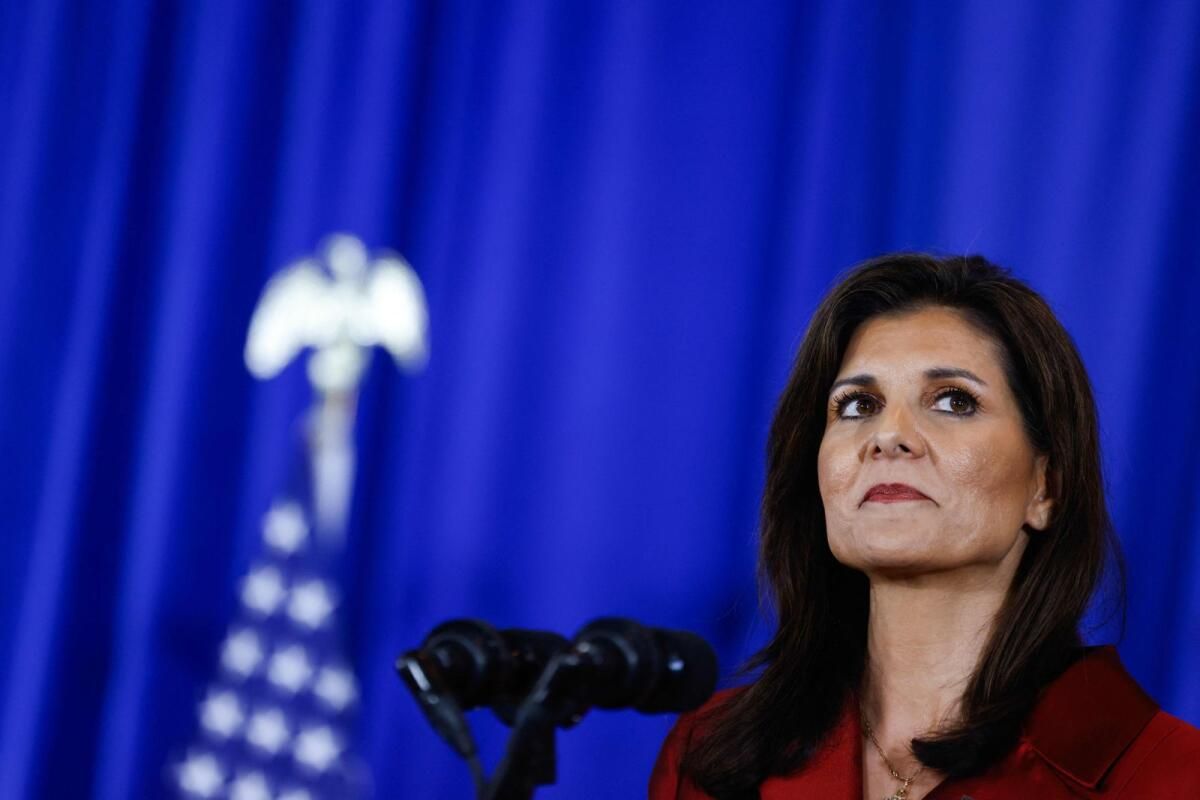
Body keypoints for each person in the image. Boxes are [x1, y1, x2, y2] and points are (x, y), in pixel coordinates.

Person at [649, 254, 1200, 799]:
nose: (888, 436)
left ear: (1046, 488)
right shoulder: (708, 757)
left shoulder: (1173, 776)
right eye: (857, 405)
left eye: (954, 401)